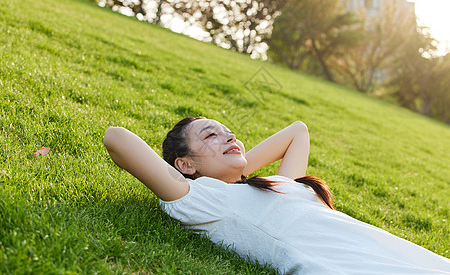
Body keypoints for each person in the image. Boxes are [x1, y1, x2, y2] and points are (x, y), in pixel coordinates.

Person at [103, 116, 450, 274]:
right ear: (185, 163)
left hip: (388, 249)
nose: (229, 138)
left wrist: (236, 167)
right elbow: (116, 138)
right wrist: (227, 171)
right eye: (211, 136)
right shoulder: (205, 200)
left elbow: (297, 131)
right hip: (346, 266)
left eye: (231, 134)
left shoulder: (277, 184)